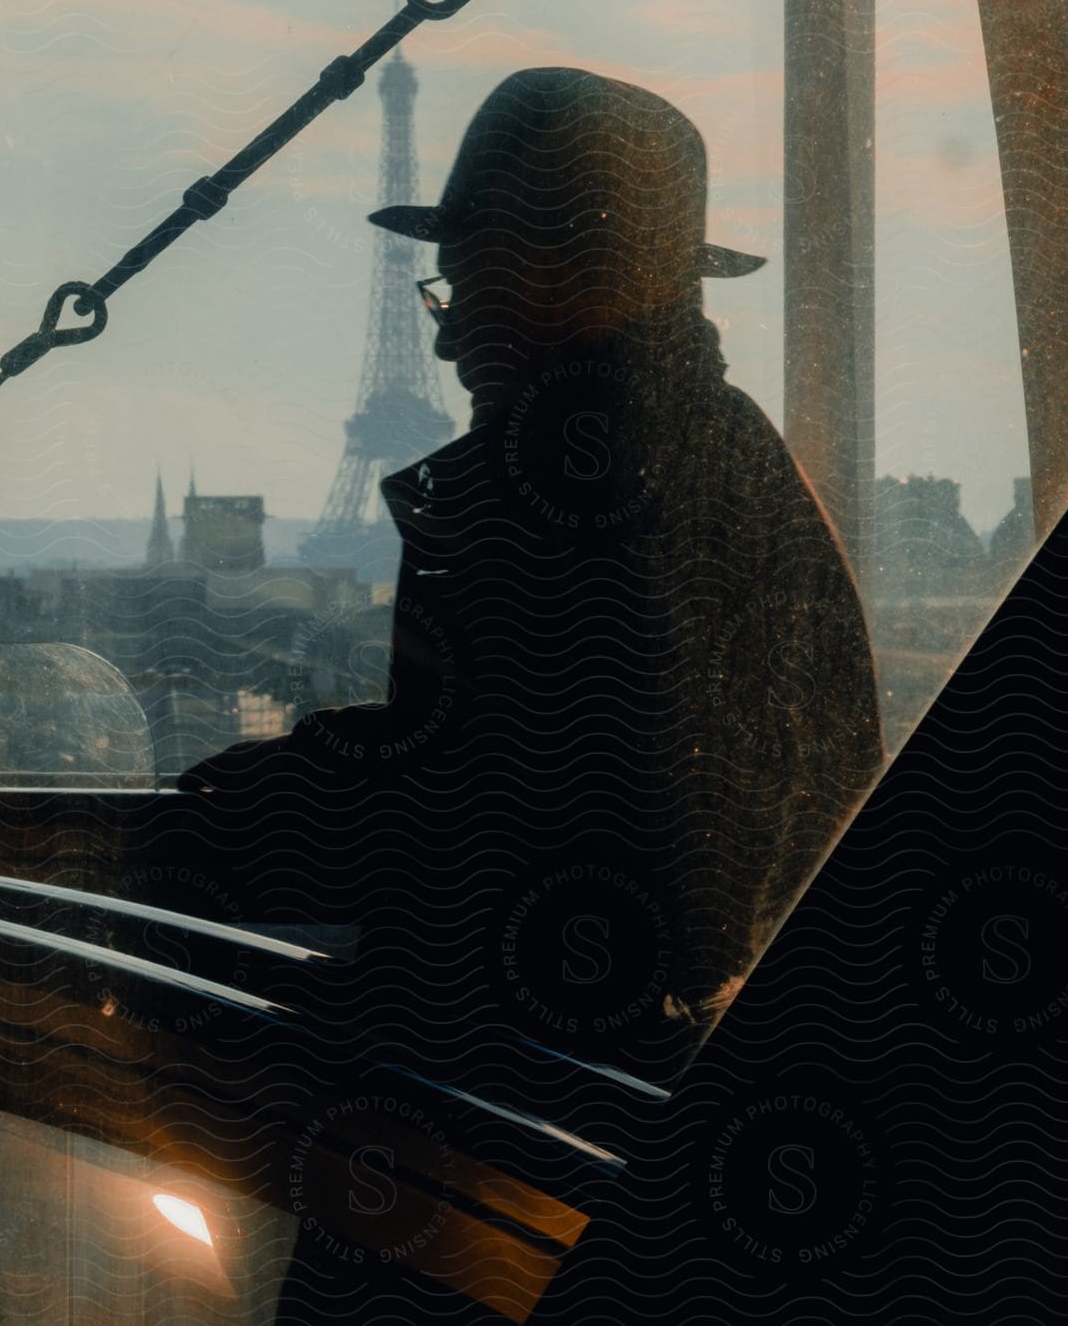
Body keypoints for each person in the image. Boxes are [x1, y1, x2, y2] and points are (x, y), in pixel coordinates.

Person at [181, 66, 883, 1085]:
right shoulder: (707, 458)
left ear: (581, 272)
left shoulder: (565, 483)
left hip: (544, 1095)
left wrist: (231, 810)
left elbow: (487, 813)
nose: (449, 330)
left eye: (470, 284)